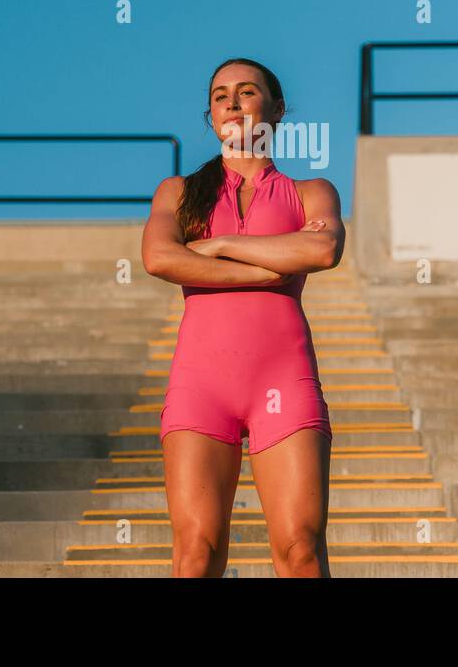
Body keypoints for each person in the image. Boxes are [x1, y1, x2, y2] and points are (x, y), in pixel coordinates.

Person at [140, 57, 345, 577]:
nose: (231, 101)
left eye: (247, 91)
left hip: (283, 378)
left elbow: (321, 250)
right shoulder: (179, 192)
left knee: (300, 547)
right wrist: (264, 270)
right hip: (201, 385)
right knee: (196, 552)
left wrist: (224, 244)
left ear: (277, 109)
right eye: (219, 95)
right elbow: (161, 258)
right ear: (210, 116)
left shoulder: (311, 192)